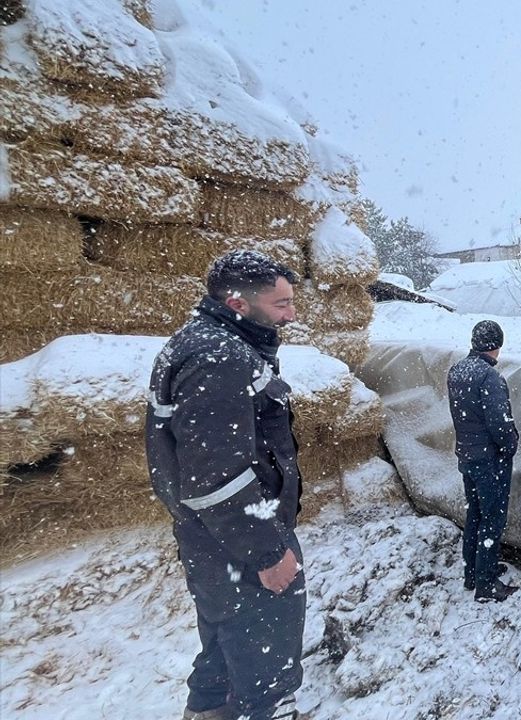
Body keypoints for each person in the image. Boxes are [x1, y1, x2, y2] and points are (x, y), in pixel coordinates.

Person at [146, 250, 306, 720]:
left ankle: (208, 712)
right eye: (281, 304)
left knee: (223, 644)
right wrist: (267, 554)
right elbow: (215, 477)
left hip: (213, 537)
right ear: (239, 304)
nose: (291, 314)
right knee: (266, 662)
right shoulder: (219, 358)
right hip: (239, 540)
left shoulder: (203, 344)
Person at [447, 320, 521, 602]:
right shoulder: (489, 377)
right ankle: (487, 583)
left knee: (475, 514)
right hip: (489, 460)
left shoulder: (458, 370)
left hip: (467, 455)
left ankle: (473, 571)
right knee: (492, 518)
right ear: (497, 346)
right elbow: (499, 423)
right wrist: (510, 445)